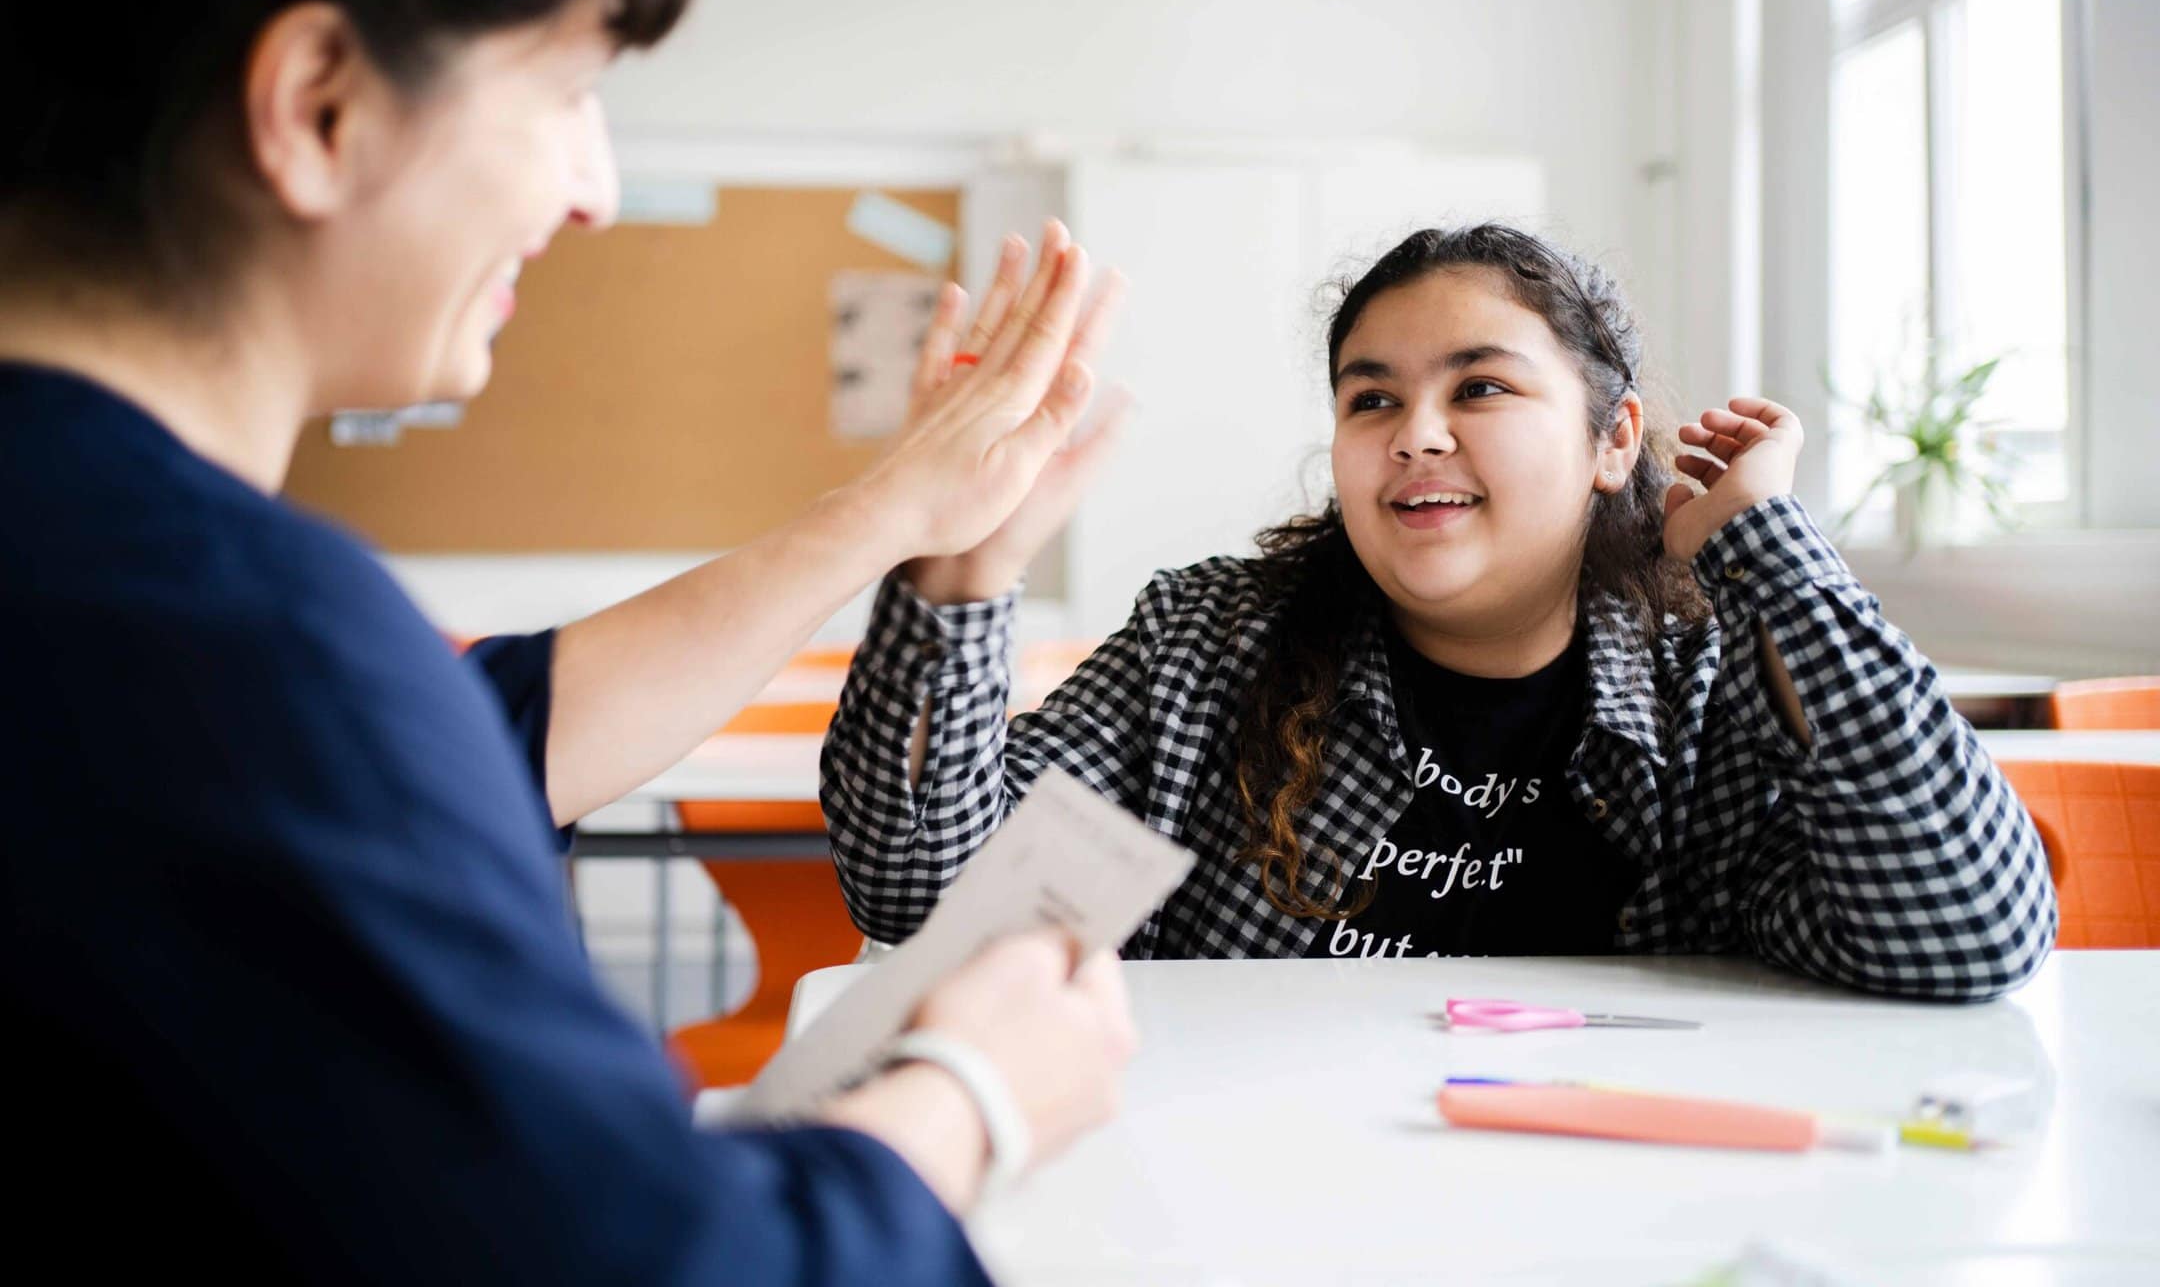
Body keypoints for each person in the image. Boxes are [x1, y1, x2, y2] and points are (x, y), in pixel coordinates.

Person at [2, 0, 1137, 1281]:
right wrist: (970, 1099)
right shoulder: (235, 639)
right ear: (319, 106)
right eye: (566, 95)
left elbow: (492, 733)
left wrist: (893, 510)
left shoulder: (109, 577)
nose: (595, 189)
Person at [822, 223, 2058, 1001]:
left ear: (1612, 440)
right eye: (1371, 401)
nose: (1416, 434)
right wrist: (959, 578)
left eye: (1480, 386)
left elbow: (1964, 937)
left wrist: (1765, 552)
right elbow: (921, 897)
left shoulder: (1712, 675)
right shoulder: (1208, 644)